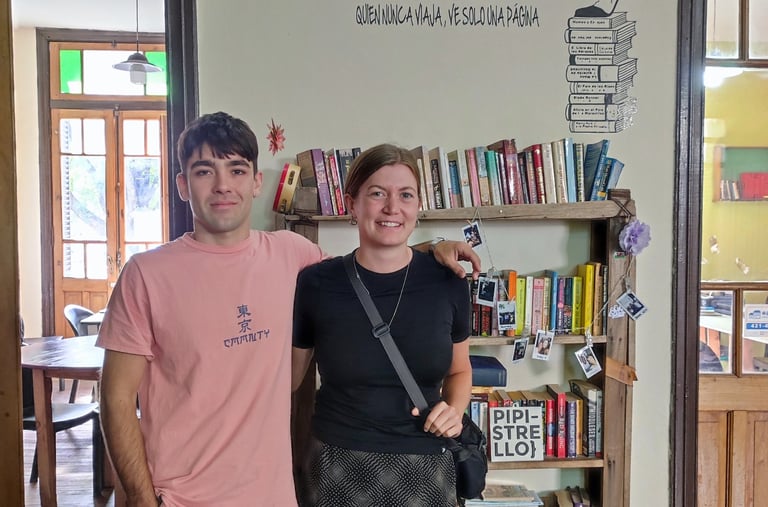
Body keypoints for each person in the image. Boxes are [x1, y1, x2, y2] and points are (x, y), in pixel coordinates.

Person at [96, 112, 481, 507]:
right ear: (181, 185)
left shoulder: (292, 255)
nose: (223, 185)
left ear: (256, 182)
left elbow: (371, 267)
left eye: (237, 170)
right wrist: (142, 500)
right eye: (204, 171)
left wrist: (432, 251)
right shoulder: (146, 274)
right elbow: (115, 399)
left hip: (271, 494)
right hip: (178, 495)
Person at [292, 144, 473, 506]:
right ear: (351, 205)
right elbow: (289, 380)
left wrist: (454, 411)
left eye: (405, 195)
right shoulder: (315, 283)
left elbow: (460, 371)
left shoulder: (449, 282)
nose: (393, 208)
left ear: (417, 206)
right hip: (335, 463)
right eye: (377, 194)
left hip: (427, 464)